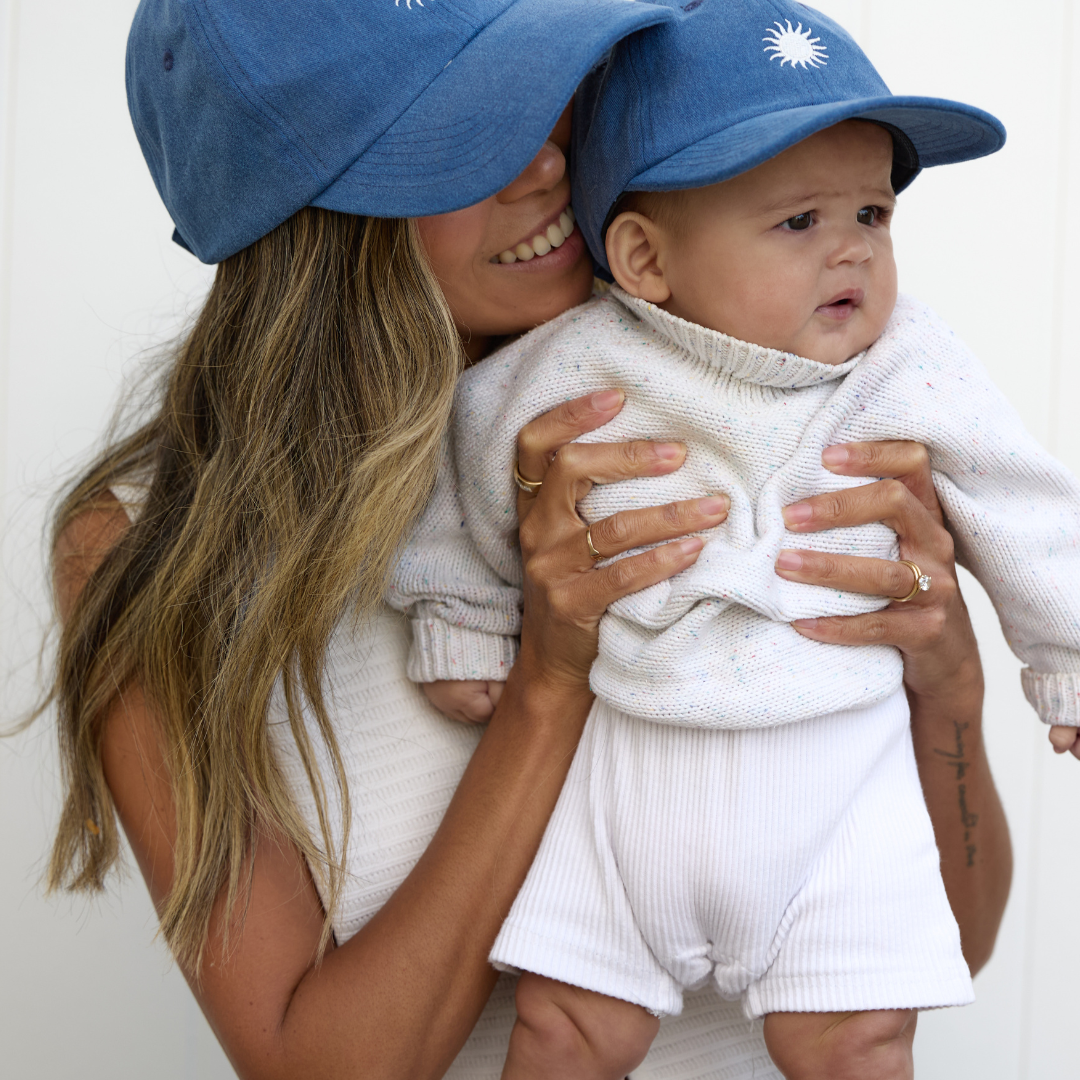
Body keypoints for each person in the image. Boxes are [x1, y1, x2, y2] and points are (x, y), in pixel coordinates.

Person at [43, 1, 1011, 1078]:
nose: (547, 163)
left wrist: (950, 687)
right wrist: (549, 678)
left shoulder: (777, 386)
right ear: (312, 227)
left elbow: (942, 953)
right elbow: (320, 1067)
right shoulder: (137, 551)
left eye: (539, 95)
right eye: (468, 138)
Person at [385, 3, 1076, 1078]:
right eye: (799, 221)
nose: (852, 247)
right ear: (644, 257)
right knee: (568, 1030)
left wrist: (1065, 656)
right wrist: (462, 617)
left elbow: (1021, 503)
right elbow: (467, 469)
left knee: (859, 1039)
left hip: (837, 774)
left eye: (873, 213)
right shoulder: (572, 365)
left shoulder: (907, 363)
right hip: (629, 769)